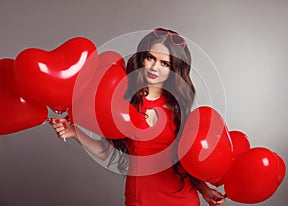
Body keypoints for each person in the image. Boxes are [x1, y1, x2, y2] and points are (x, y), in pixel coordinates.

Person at [50, 28, 225, 206]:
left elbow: (185, 161)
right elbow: (105, 152)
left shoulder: (178, 108)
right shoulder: (124, 101)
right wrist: (74, 132)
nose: (155, 67)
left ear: (174, 69)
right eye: (151, 58)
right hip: (140, 199)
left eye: (165, 63)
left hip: (182, 199)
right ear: (142, 58)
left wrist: (204, 189)